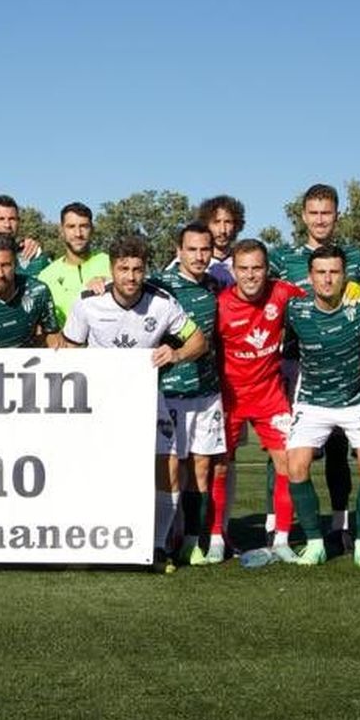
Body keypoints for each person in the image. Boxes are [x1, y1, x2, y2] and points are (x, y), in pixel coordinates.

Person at [62, 235, 209, 572]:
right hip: (97, 403)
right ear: (111, 269)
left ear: (146, 270)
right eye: (123, 269)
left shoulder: (162, 303)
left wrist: (176, 352)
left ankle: (156, 548)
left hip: (145, 398)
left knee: (170, 467)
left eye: (137, 269)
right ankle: (89, 542)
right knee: (93, 471)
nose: (130, 277)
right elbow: (69, 349)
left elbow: (199, 341)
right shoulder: (88, 303)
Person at [269, 184, 360, 551]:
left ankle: (342, 523)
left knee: (339, 454)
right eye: (314, 213)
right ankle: (280, 526)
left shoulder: (354, 257)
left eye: (327, 213)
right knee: (286, 451)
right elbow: (252, 283)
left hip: (348, 365)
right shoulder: (283, 257)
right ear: (302, 216)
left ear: (337, 215)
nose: (320, 220)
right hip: (296, 365)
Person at [215, 239, 305, 563]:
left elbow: (324, 295)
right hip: (231, 397)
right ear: (234, 271)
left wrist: (352, 290)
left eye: (257, 268)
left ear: (267, 269)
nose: (251, 275)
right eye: (244, 269)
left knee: (288, 463)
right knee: (220, 467)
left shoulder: (282, 292)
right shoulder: (221, 304)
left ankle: (281, 539)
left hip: (270, 396)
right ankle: (215, 538)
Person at [147, 223, 226, 565]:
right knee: (170, 469)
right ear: (178, 251)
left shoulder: (216, 283)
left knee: (202, 468)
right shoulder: (159, 285)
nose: (198, 256)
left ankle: (192, 541)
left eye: (204, 249)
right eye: (191, 249)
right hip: (169, 392)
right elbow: (124, 287)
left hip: (207, 392)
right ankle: (162, 540)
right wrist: (96, 285)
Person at [37, 202, 112, 326]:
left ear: (92, 229)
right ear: (61, 231)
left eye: (84, 226)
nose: (78, 234)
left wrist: (109, 281)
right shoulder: (46, 276)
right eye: (71, 227)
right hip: (66, 344)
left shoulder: (111, 263)